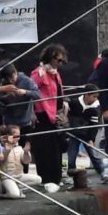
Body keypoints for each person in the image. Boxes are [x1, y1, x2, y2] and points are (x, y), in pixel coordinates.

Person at [30, 44, 68, 187]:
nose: (60, 63)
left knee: (56, 148)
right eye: (59, 60)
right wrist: (32, 111)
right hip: (42, 114)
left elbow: (59, 92)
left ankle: (56, 178)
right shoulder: (38, 73)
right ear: (50, 58)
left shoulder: (56, 74)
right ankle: (46, 178)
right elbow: (31, 91)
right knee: (45, 148)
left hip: (55, 115)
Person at [66, 84, 108, 184]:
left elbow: (93, 126)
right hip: (73, 133)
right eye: (93, 96)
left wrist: (91, 139)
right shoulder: (74, 102)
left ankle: (102, 173)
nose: (95, 99)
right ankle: (71, 175)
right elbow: (69, 116)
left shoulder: (96, 108)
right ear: (87, 94)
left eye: (96, 97)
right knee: (72, 155)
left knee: (94, 155)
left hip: (86, 134)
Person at [0, 61, 41, 150]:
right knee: (10, 151)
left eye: (11, 77)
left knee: (24, 151)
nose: (10, 81)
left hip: (25, 122)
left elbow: (38, 95)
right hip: (10, 123)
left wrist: (25, 92)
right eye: (7, 79)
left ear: (15, 72)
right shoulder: (3, 83)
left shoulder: (26, 81)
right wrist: (7, 96)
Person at [0, 125, 42, 198]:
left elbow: (26, 161)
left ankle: (16, 187)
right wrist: (7, 148)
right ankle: (3, 192)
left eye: (19, 136)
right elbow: (1, 159)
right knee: (14, 195)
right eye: (16, 136)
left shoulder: (19, 148)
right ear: (9, 136)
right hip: (7, 177)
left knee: (38, 179)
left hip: (19, 176)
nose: (18, 138)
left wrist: (26, 152)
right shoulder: (1, 147)